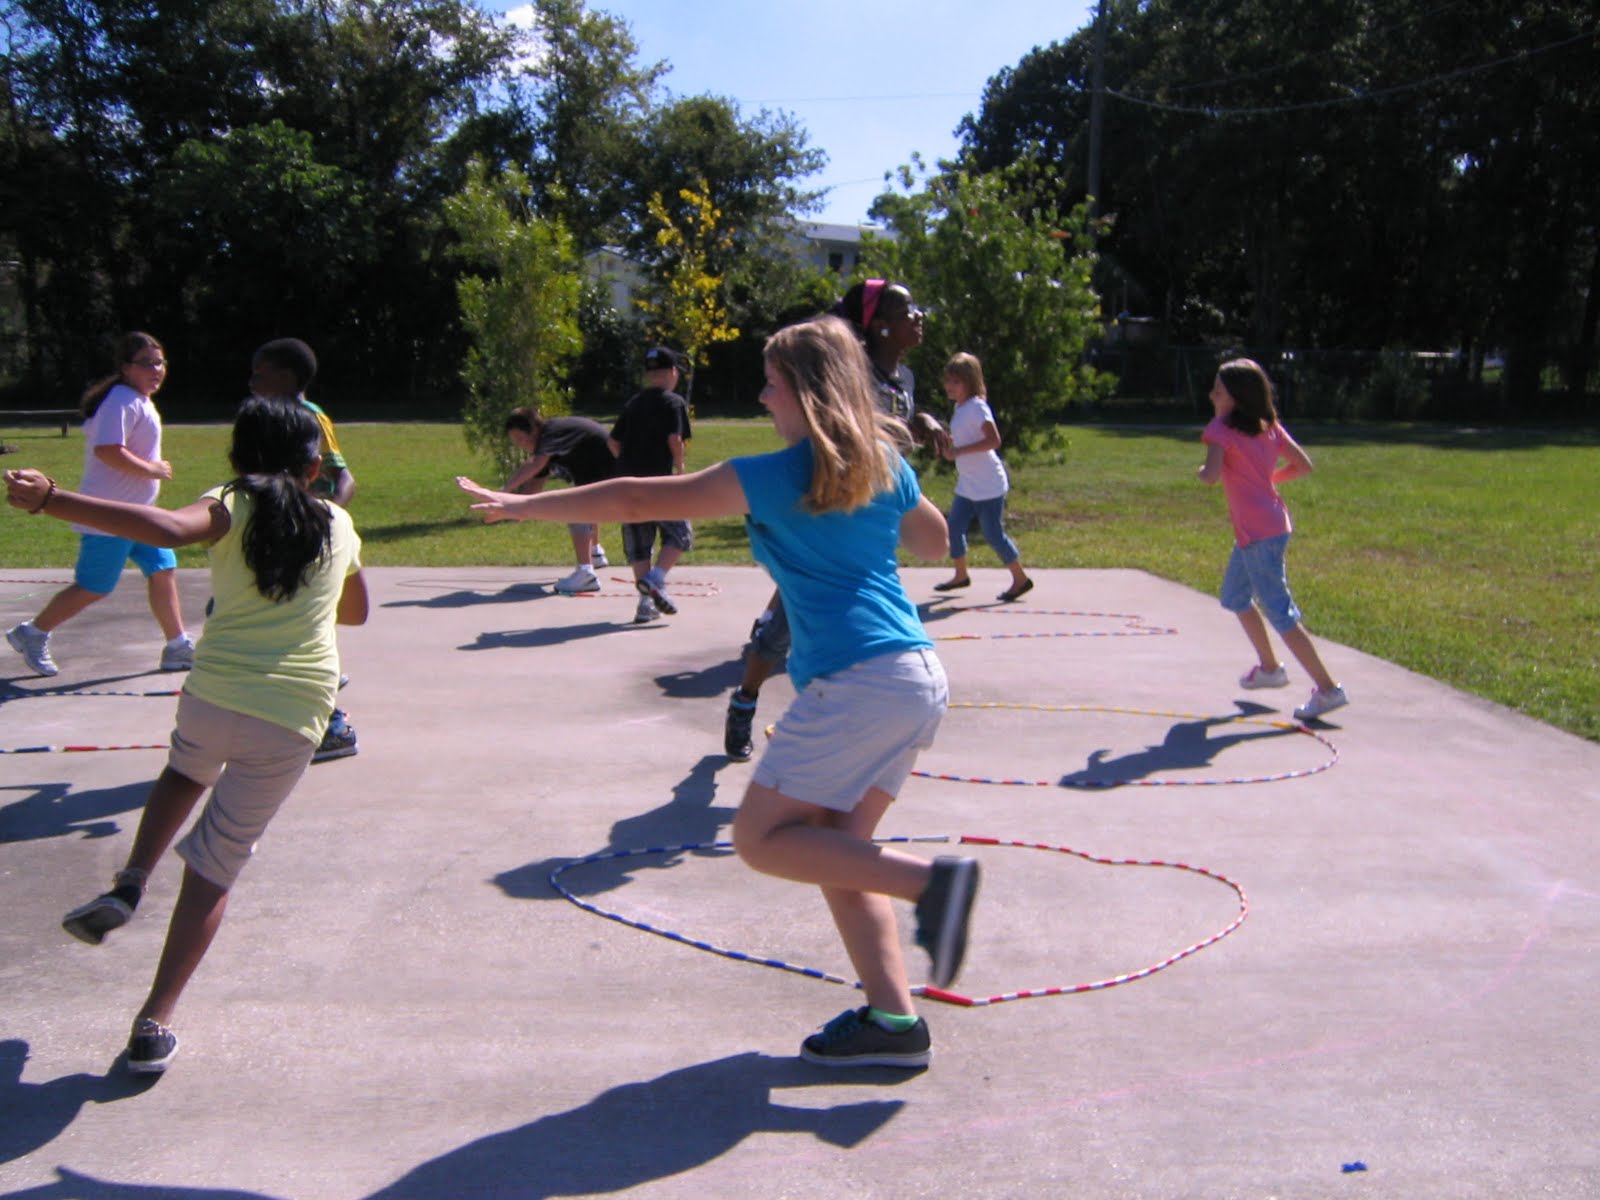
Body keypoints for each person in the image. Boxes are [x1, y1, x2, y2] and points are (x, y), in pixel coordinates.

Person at [458, 315, 980, 1070]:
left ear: (805, 391)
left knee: (760, 840)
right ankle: (894, 1025)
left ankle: (934, 886)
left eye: (772, 383)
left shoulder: (769, 476)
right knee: (835, 850)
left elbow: (639, 500)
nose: (762, 395)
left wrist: (523, 505)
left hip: (861, 682)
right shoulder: (881, 467)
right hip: (915, 675)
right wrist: (894, 482)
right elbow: (932, 544)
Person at [6, 395, 368, 1073]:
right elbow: (357, 613)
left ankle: (131, 881)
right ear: (314, 465)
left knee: (184, 770)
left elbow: (167, 527)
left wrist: (53, 499)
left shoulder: (232, 501)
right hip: (294, 715)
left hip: (213, 695)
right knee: (213, 868)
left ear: (239, 456)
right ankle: (152, 1023)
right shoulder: (338, 524)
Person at [722, 281, 934, 761]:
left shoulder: (905, 379)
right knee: (782, 627)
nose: (919, 317)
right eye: (907, 310)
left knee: (843, 631)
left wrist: (922, 427)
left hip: (869, 511)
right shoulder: (850, 372)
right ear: (880, 324)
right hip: (824, 510)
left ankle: (823, 714)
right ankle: (745, 699)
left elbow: (889, 442)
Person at [5, 332, 195, 678]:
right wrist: (152, 468)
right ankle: (32, 633)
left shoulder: (138, 400)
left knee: (163, 567)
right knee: (95, 586)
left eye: (160, 361)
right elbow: (108, 450)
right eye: (147, 363)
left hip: (137, 515)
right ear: (125, 368)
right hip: (109, 516)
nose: (157, 369)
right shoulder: (121, 400)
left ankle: (177, 645)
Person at [1197, 358, 1349, 722]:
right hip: (1269, 526)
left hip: (1259, 534)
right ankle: (1269, 669)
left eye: (1217, 390)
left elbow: (1211, 476)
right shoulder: (1269, 428)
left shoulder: (1220, 429)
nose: (1211, 395)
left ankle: (1328, 689)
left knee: (1280, 611)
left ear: (1234, 397)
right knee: (1235, 596)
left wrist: (1202, 471)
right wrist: (1267, 483)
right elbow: (1303, 466)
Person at [248, 338, 359, 761]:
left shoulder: (309, 417)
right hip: (273, 533)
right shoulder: (262, 417)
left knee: (305, 630)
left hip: (306, 539)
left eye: (261, 372)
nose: (252, 380)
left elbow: (344, 477)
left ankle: (332, 725)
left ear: (287, 376)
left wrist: (325, 520)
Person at [932, 352, 1033, 602]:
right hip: (968, 483)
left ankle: (1020, 579)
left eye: (956, 382)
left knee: (992, 534)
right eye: (948, 381)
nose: (949, 387)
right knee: (954, 526)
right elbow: (968, 438)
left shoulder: (977, 407)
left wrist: (959, 451)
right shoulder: (961, 407)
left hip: (988, 484)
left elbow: (993, 440)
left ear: (970, 382)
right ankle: (960, 575)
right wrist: (950, 446)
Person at [608, 346, 693, 624]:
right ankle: (656, 578)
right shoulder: (674, 402)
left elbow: (613, 441)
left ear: (648, 374)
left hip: (629, 483)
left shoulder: (634, 403)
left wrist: (628, 463)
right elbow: (674, 440)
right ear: (672, 372)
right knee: (680, 533)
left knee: (639, 544)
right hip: (660, 482)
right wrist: (679, 467)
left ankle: (645, 603)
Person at [503, 407, 614, 594]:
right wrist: (516, 509)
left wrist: (505, 490)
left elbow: (535, 464)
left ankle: (586, 575)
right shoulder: (550, 445)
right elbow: (535, 484)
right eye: (516, 442)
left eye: (521, 438)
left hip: (612, 469)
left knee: (574, 507)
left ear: (534, 429)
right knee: (582, 502)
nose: (520, 445)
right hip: (601, 471)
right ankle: (594, 554)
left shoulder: (551, 433)